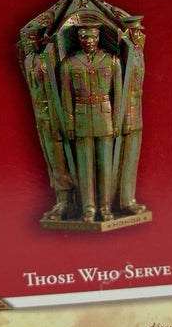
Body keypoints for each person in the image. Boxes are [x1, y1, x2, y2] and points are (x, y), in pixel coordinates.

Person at [60, 20, 122, 222]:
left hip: (105, 117)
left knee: (105, 167)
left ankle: (105, 207)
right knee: (85, 167)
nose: (89, 41)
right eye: (85, 37)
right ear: (79, 39)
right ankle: (88, 208)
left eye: (93, 36)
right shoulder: (69, 64)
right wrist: (69, 122)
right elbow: (66, 96)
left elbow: (118, 95)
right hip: (81, 118)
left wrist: (117, 121)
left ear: (98, 37)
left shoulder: (111, 61)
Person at [23, 28, 74, 220]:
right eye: (26, 40)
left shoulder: (49, 59)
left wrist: (60, 121)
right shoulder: (28, 60)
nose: (29, 43)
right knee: (51, 160)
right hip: (41, 116)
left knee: (60, 160)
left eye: (32, 39)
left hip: (56, 117)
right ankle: (61, 200)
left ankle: (68, 201)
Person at [118, 17, 146, 214]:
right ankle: (124, 201)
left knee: (132, 156)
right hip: (124, 112)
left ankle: (128, 199)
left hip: (136, 110)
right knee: (125, 157)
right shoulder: (124, 54)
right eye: (134, 32)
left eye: (139, 31)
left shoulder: (137, 52)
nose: (139, 34)